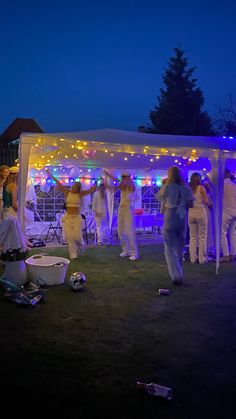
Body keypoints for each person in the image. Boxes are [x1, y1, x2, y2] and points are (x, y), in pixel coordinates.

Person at [46, 168, 97, 259]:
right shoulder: (67, 192)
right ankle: (73, 254)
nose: (74, 187)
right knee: (69, 237)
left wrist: (96, 182)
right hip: (67, 218)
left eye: (77, 187)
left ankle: (81, 244)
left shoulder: (80, 194)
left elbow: (91, 190)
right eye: (74, 185)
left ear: (78, 188)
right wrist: (48, 173)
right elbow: (57, 182)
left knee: (77, 236)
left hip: (77, 218)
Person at [157, 166, 194, 285]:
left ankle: (176, 275)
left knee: (169, 247)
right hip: (181, 217)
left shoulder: (167, 187)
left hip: (170, 215)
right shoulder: (186, 188)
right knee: (180, 246)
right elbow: (190, 204)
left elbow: (160, 198)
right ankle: (180, 273)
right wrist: (182, 205)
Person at [104, 170, 139, 261]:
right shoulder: (122, 186)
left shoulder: (132, 185)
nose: (123, 179)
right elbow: (111, 187)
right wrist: (105, 179)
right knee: (120, 232)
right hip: (121, 209)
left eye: (124, 177)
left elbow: (120, 181)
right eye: (122, 177)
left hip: (128, 210)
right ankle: (125, 250)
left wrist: (109, 174)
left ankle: (134, 253)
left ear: (128, 178)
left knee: (129, 232)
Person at [188, 173, 209, 264]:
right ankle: (202, 259)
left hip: (191, 213)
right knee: (202, 237)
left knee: (192, 237)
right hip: (200, 212)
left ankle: (193, 258)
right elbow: (206, 201)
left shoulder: (189, 189)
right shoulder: (201, 188)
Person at [220, 168, 236, 262]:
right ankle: (233, 253)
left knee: (222, 233)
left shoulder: (221, 186)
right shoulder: (234, 185)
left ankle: (226, 254)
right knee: (233, 233)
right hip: (235, 212)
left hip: (225, 211)